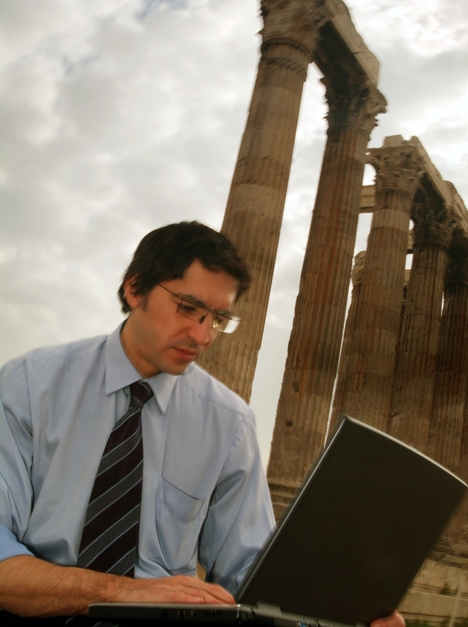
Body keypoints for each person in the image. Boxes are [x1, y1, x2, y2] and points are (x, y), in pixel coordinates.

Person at [0, 221, 405, 627]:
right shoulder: (29, 387)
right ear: (135, 288)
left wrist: (344, 613)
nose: (203, 334)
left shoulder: (231, 425)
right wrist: (121, 592)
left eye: (218, 318)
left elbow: (249, 574)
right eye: (188, 308)